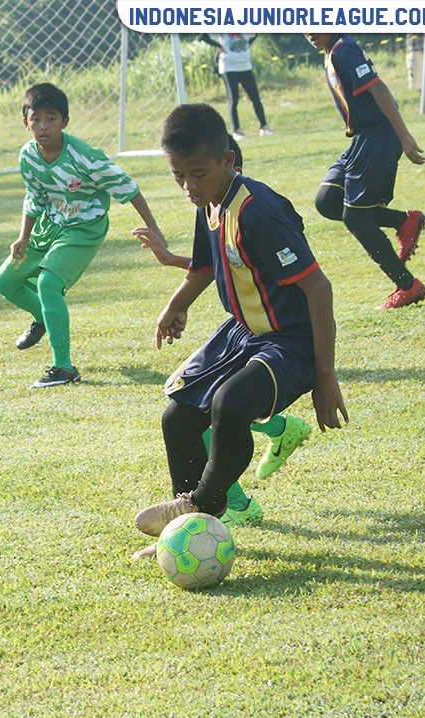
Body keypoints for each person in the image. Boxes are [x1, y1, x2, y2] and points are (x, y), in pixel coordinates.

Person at [131, 104, 347, 557]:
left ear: (228, 161)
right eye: (178, 176)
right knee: (178, 415)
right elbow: (206, 265)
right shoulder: (208, 199)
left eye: (198, 174)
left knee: (230, 406)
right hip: (244, 332)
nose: (188, 187)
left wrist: (324, 377)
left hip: (292, 340)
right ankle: (188, 531)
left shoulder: (259, 212)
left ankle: (196, 510)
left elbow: (318, 288)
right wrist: (176, 305)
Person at [0, 83, 164, 389]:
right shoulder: (28, 157)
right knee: (4, 282)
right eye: (36, 119)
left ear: (65, 122)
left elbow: (128, 187)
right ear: (25, 122)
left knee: (49, 283)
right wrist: (23, 236)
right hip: (50, 225)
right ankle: (44, 317)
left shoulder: (85, 157)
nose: (43, 126)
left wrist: (155, 229)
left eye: (52, 118)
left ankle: (63, 367)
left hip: (84, 227)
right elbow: (34, 198)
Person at [306, 33, 425, 310]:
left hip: (378, 135)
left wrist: (404, 136)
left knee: (356, 218)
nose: (310, 32)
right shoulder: (332, 51)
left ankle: (407, 285)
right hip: (361, 138)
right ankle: (403, 221)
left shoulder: (343, 50)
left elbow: (380, 91)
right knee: (327, 200)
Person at [198, 34, 273, 140]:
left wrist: (248, 43)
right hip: (229, 68)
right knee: (234, 99)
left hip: (245, 66)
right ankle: (237, 131)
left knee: (255, 97)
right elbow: (202, 36)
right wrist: (220, 45)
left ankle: (264, 127)